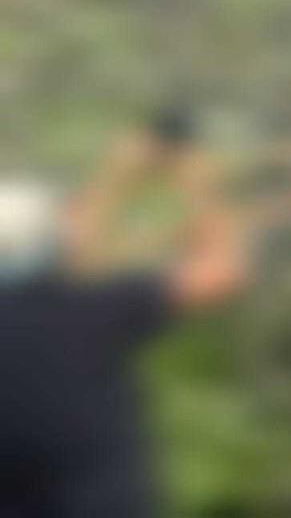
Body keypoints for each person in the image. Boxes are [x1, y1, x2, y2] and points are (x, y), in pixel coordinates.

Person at [0, 122, 244, 518]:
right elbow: (220, 272)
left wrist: (114, 177)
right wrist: (195, 176)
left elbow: (73, 247)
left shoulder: (68, 303)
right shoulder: (83, 308)